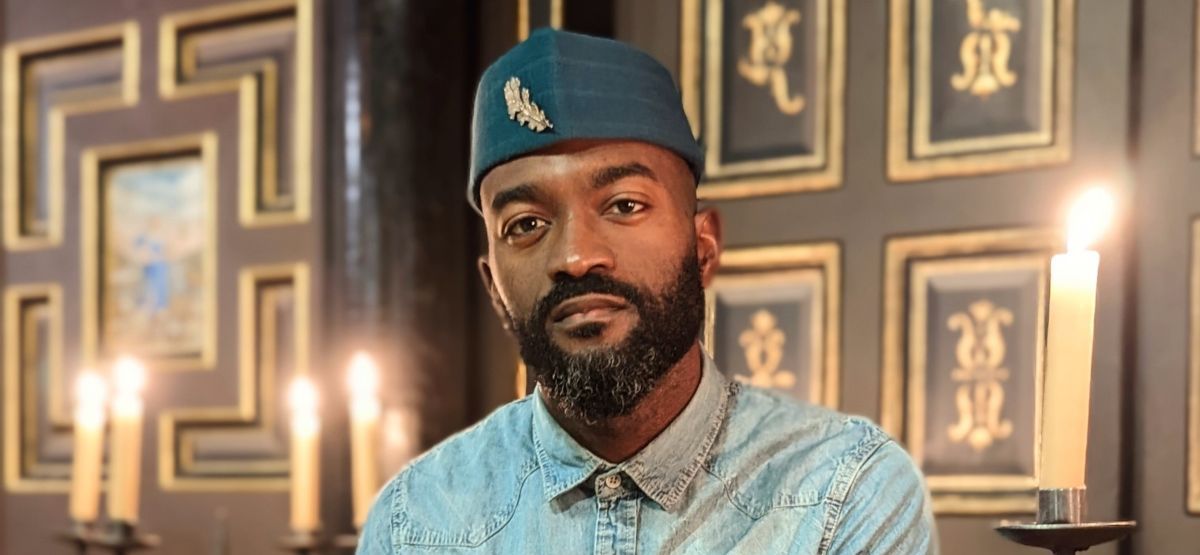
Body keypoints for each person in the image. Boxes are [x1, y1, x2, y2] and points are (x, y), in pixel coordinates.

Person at [358, 28, 937, 554]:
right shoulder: (419, 522)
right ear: (493, 286)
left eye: (624, 205)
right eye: (526, 224)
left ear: (703, 247)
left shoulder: (842, 492)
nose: (576, 257)